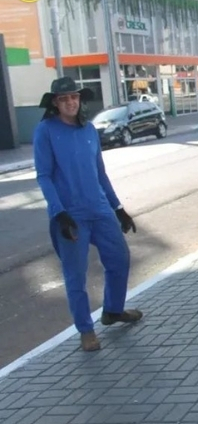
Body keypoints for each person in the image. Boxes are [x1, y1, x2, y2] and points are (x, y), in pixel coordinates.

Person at [33, 77, 141, 352]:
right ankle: (86, 330)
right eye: (64, 98)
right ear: (55, 103)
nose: (70, 102)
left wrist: (118, 208)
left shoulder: (89, 129)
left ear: (80, 100)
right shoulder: (46, 131)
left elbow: (100, 173)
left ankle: (113, 310)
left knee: (119, 259)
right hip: (71, 215)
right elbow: (44, 175)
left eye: (74, 97)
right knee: (76, 275)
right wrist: (59, 212)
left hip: (100, 209)